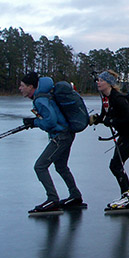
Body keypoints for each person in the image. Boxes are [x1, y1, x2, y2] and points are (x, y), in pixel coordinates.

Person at [19, 72, 83, 213]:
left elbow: (50, 121)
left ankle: (52, 200)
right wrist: (34, 123)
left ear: (30, 87)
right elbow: (51, 117)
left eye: (22, 85)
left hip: (60, 137)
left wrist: (35, 122)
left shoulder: (40, 99)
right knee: (61, 166)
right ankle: (75, 195)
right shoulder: (44, 96)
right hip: (67, 134)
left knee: (40, 166)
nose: (20, 88)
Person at [89, 70, 129, 209]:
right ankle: (127, 195)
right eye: (98, 80)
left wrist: (110, 121)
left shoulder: (118, 99)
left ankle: (128, 196)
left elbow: (128, 120)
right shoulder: (107, 99)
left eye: (101, 80)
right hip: (125, 135)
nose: (98, 82)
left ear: (109, 83)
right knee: (116, 165)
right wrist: (96, 119)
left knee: (116, 165)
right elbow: (105, 116)